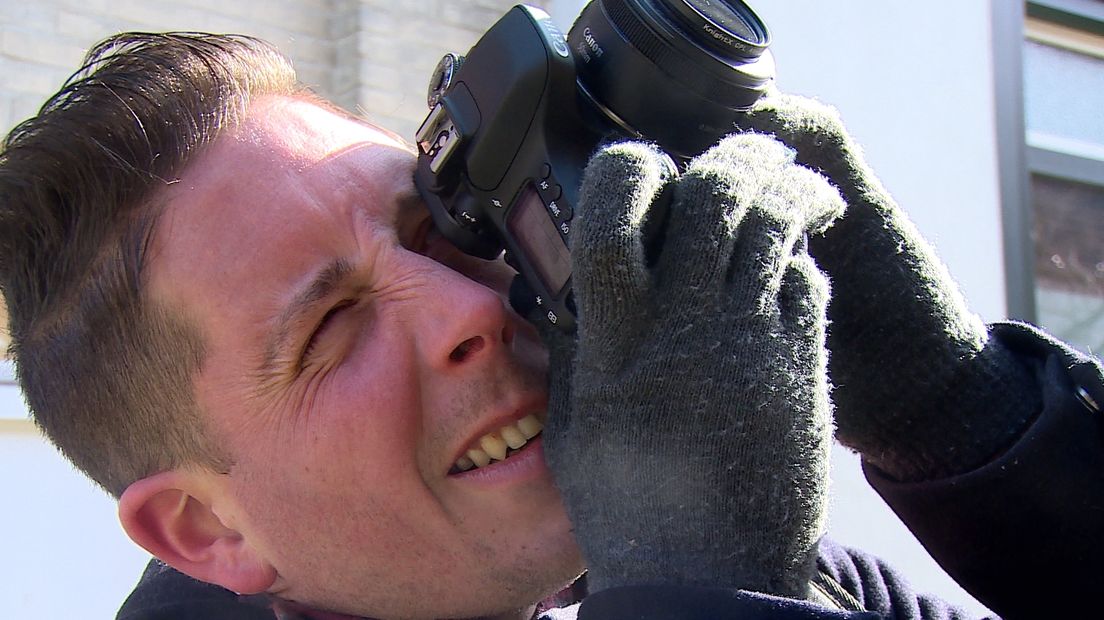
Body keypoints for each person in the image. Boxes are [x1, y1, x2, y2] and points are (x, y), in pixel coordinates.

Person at [0, 32, 1099, 620]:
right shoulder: (702, 562)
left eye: (433, 223)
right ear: (208, 530)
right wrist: (705, 598)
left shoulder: (778, 572)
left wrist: (958, 412)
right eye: (330, 326)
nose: (475, 305)